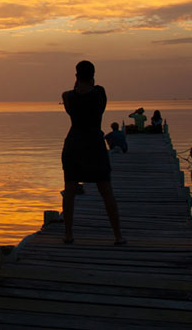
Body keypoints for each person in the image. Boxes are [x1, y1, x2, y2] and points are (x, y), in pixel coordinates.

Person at [61, 61, 126, 245]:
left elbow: (70, 96)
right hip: (95, 144)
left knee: (70, 190)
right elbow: (95, 90)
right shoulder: (99, 94)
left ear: (76, 76)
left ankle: (68, 234)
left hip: (74, 144)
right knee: (106, 190)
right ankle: (118, 236)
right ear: (93, 75)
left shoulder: (68, 97)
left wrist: (77, 85)